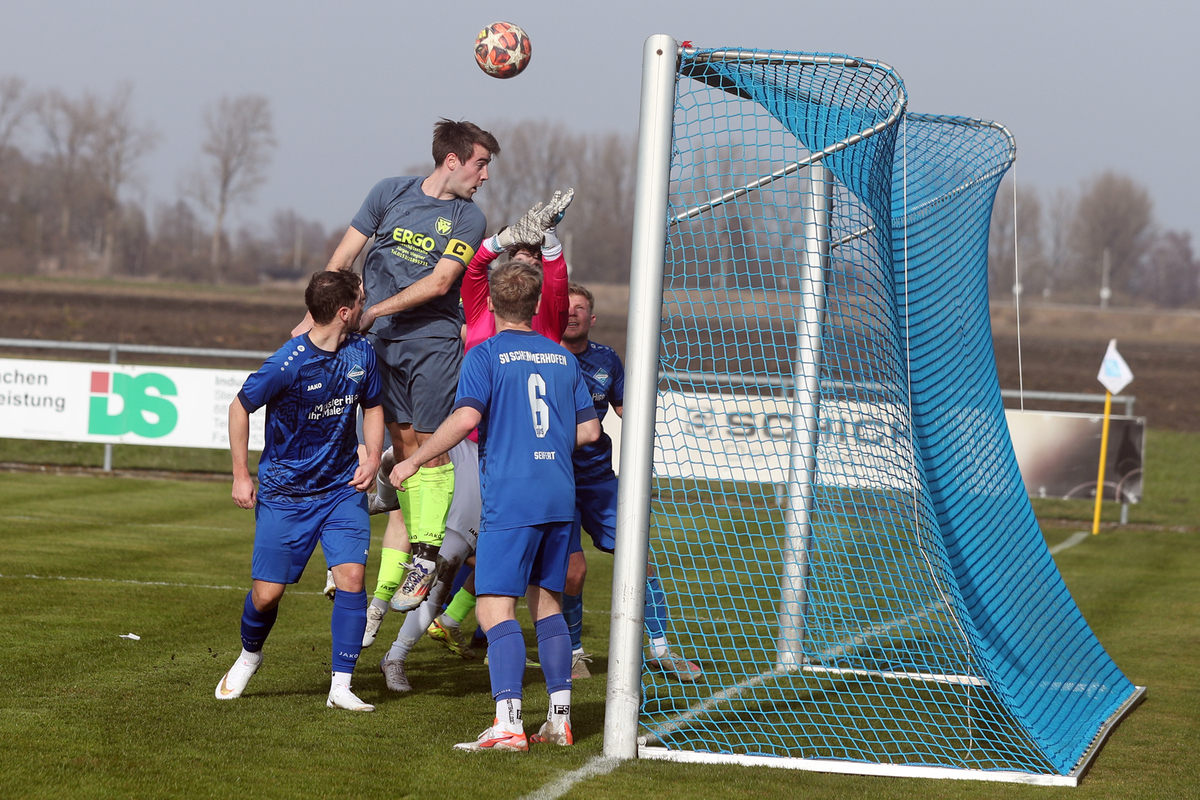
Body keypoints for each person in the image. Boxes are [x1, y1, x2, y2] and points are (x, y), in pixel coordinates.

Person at [297, 119, 500, 638]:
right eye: (480, 164)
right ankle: (385, 580)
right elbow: (343, 258)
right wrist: (320, 316)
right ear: (452, 160)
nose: (484, 176)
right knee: (401, 444)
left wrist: (372, 312)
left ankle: (426, 556)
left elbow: (441, 282)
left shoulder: (469, 217)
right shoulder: (389, 192)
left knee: (429, 447)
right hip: (378, 344)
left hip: (430, 341)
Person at [389, 261, 600, 751]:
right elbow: (590, 430)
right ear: (535, 305)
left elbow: (466, 418)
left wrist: (414, 459)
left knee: (492, 608)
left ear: (490, 303)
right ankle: (559, 720)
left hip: (512, 495)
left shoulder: (485, 355)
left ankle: (509, 723)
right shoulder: (562, 357)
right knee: (548, 605)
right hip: (558, 492)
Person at [375, 198, 575, 693]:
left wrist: (548, 240)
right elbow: (475, 267)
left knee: (468, 566)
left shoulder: (546, 324)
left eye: (534, 260)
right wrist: (505, 238)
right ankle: (386, 626)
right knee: (449, 552)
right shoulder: (484, 310)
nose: (527, 262)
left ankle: (402, 648)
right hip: (468, 448)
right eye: (519, 257)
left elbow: (558, 282)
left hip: (511, 464)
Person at [216, 269, 384, 711]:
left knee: (352, 579)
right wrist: (240, 474)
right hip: (285, 495)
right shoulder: (287, 363)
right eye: (361, 300)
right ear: (344, 312)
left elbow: (373, 406)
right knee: (267, 595)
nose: (365, 306)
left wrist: (371, 457)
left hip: (341, 489)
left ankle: (341, 686)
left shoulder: (362, 353)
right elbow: (239, 407)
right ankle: (250, 655)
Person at [559, 282, 702, 683]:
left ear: (592, 317)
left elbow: (626, 410)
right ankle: (573, 653)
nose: (571, 313)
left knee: (640, 557)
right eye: (565, 307)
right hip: (555, 478)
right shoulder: (544, 354)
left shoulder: (607, 359)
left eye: (580, 308)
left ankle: (660, 651)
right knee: (572, 572)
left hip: (599, 479)